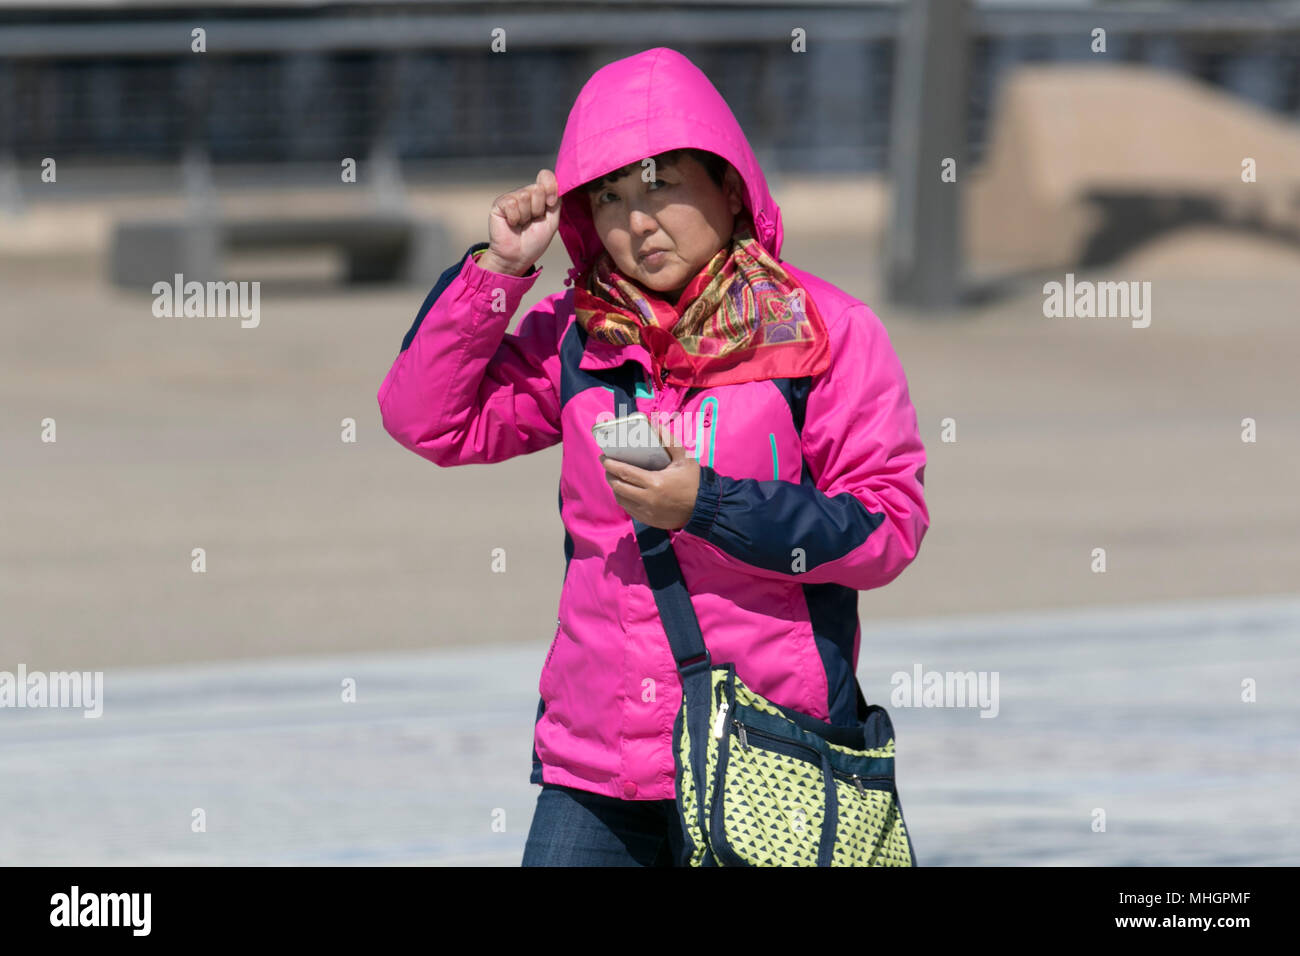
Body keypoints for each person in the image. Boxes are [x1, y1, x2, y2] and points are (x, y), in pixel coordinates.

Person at [377, 47, 929, 866]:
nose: (638, 223)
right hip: (599, 763)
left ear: (729, 188)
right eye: (610, 198)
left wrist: (706, 505)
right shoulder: (578, 335)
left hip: (770, 747)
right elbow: (428, 419)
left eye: (661, 187)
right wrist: (500, 268)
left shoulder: (825, 331)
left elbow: (887, 528)